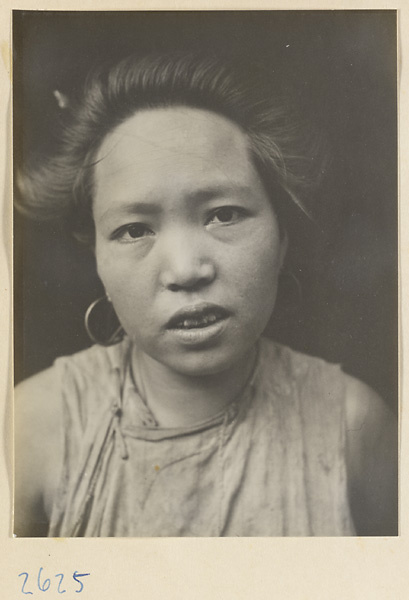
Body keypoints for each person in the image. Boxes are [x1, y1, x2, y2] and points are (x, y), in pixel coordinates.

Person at [14, 52, 397, 537]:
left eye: (224, 214)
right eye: (134, 229)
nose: (186, 270)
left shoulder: (355, 427)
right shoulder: (33, 429)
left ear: (281, 239)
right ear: (96, 257)